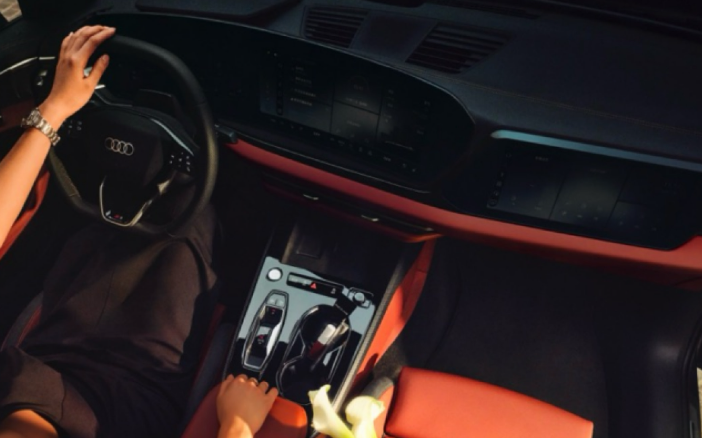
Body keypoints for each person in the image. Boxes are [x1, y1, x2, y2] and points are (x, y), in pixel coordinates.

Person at [0, 26, 278, 438]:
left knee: (103, 230)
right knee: (193, 216)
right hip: (133, 391)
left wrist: (54, 110)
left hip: (48, 359)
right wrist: (237, 425)